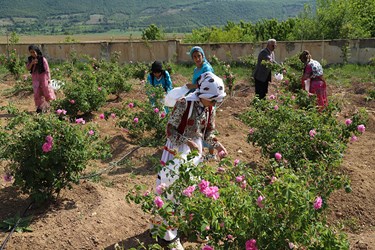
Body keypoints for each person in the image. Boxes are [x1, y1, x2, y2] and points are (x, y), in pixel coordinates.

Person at [155, 72, 228, 250]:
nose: (216, 103)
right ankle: (168, 236)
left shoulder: (210, 108)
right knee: (170, 191)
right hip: (175, 151)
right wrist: (186, 142)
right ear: (203, 95)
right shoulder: (184, 103)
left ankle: (178, 227)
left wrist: (218, 146)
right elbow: (170, 130)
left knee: (188, 189)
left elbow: (208, 133)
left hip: (194, 152)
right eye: (213, 100)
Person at [186, 46, 216, 159]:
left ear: (202, 56)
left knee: (208, 126)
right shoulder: (196, 69)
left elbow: (209, 84)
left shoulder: (206, 68)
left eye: (199, 56)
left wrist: (193, 86)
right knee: (199, 126)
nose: (197, 58)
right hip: (198, 100)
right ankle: (201, 152)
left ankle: (212, 154)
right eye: (194, 57)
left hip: (207, 100)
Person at [26, 45, 56, 113]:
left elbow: (47, 70)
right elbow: (28, 68)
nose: (33, 54)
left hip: (43, 78)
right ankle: (40, 107)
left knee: (46, 91)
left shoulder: (42, 59)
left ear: (37, 51)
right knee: (37, 92)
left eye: (34, 52)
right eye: (31, 52)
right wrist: (32, 63)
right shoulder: (30, 59)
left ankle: (49, 106)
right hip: (35, 78)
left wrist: (49, 79)